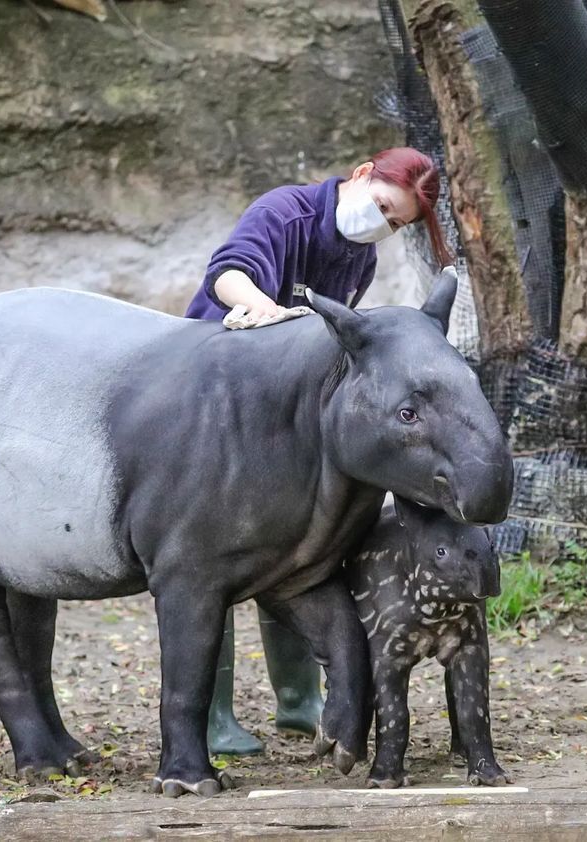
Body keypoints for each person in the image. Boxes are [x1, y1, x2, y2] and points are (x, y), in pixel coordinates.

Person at [184, 146, 453, 755]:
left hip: (284, 421)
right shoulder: (285, 213)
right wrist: (260, 307)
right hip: (214, 402)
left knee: (294, 551)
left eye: (396, 223)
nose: (382, 225)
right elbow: (226, 272)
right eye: (383, 207)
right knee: (209, 558)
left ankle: (298, 702)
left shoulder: (359, 258)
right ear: (362, 177)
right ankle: (212, 717)